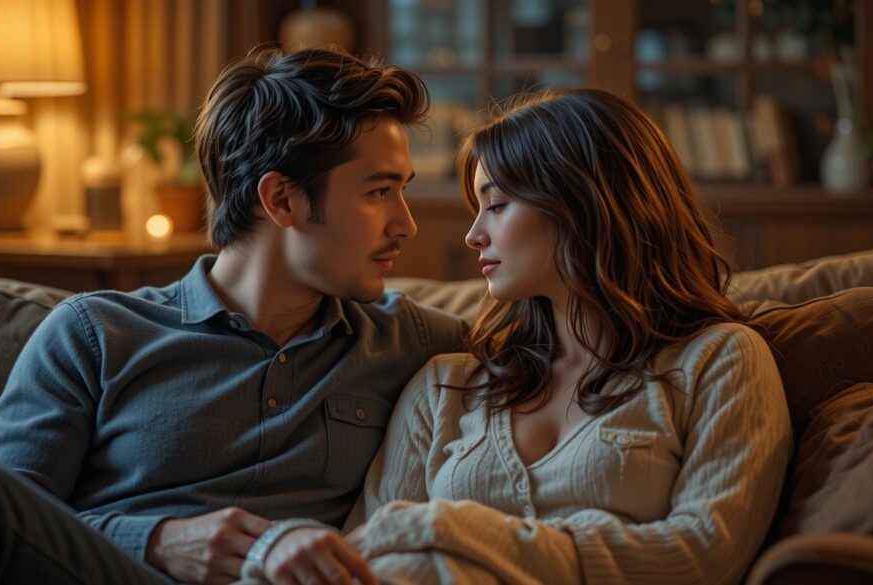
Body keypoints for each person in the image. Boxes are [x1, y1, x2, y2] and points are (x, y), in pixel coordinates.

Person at [0, 47, 467, 584]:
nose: (406, 224)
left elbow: (547, 340)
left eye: (403, 191)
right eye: (379, 192)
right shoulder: (94, 333)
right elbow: (0, 524)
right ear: (281, 200)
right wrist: (157, 540)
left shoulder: (406, 336)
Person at [339, 88, 793, 585]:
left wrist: (452, 528)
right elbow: (362, 556)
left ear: (585, 203)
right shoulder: (445, 387)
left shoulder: (719, 361)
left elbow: (705, 553)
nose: (473, 235)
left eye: (497, 205)